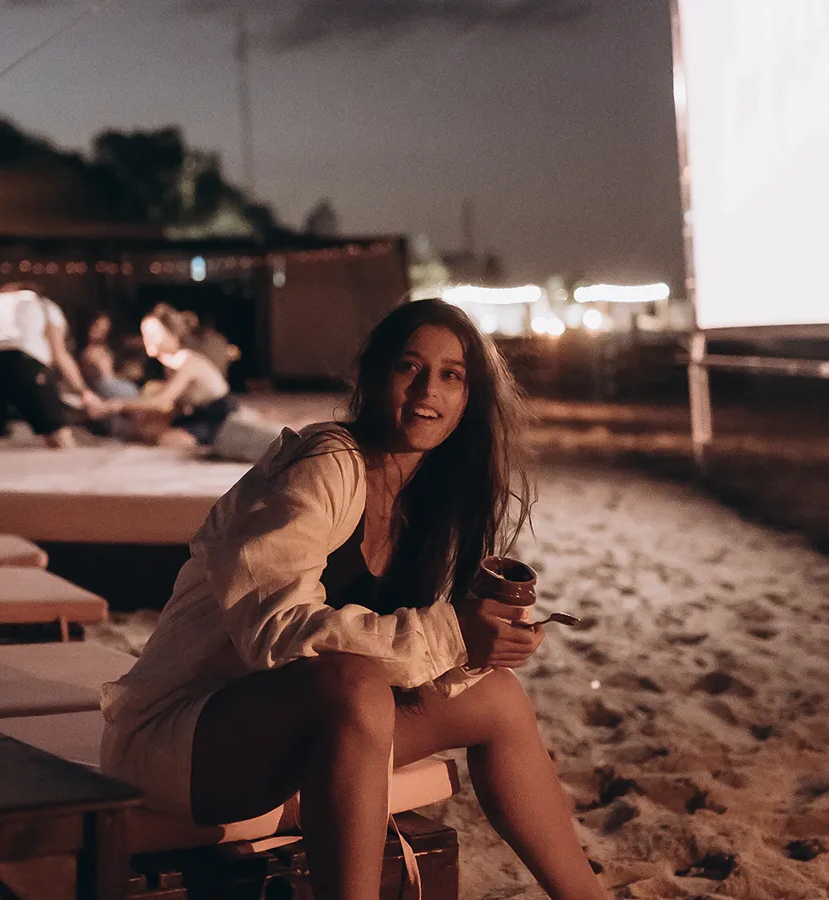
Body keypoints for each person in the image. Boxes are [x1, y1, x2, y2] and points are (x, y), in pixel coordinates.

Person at [99, 298, 609, 900]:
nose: (429, 389)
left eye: (452, 375)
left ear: (469, 397)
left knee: (494, 698)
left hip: (301, 734)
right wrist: (449, 635)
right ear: (373, 375)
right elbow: (278, 630)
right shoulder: (325, 463)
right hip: (182, 739)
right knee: (356, 684)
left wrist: (475, 649)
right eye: (409, 367)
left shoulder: (430, 496)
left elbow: (394, 660)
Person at [0, 282, 104, 449]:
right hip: (23, 363)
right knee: (58, 436)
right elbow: (59, 354)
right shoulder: (43, 304)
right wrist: (83, 391)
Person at [104, 303, 233, 448]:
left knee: (167, 440)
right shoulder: (170, 366)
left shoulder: (187, 361)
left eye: (154, 334)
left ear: (172, 335)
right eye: (145, 334)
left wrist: (119, 405)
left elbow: (163, 401)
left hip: (218, 416)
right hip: (196, 415)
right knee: (145, 431)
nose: (147, 339)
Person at [79, 312, 139, 401]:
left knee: (133, 387)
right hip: (100, 386)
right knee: (130, 391)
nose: (97, 331)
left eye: (102, 329)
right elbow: (93, 377)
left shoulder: (106, 349)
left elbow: (111, 375)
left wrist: (125, 373)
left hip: (112, 382)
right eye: (96, 326)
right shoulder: (87, 352)